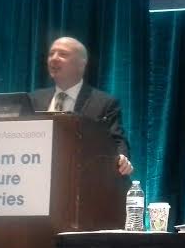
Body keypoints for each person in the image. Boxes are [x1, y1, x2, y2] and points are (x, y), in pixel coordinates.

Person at [30, 36, 133, 176]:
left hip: (81, 178)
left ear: (81, 64)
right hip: (36, 174)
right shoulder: (34, 99)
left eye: (63, 54)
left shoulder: (104, 103)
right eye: (51, 53)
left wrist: (122, 158)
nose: (54, 58)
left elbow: (116, 140)